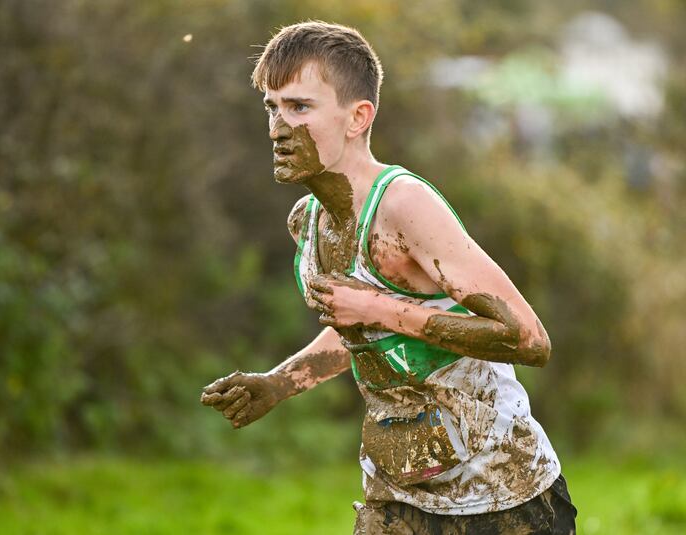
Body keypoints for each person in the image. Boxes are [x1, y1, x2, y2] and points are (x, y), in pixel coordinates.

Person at [201, 21, 577, 534]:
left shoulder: (404, 206)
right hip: (398, 496)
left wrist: (379, 308)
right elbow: (360, 331)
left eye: (299, 107)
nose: (276, 127)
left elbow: (529, 339)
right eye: (271, 107)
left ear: (358, 117)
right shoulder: (306, 221)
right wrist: (279, 384)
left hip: (501, 496)